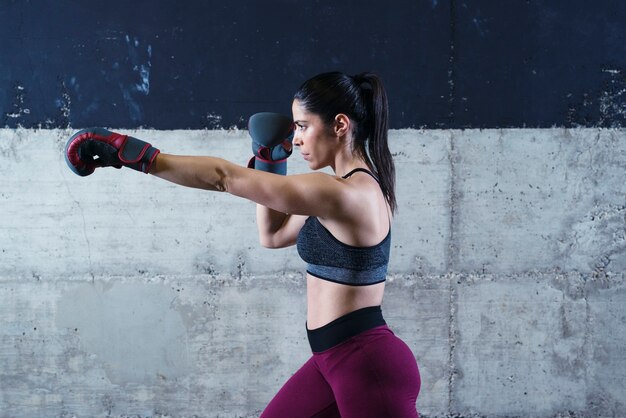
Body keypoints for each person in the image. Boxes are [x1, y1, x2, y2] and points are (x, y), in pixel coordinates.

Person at [64, 71, 421, 417]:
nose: (296, 139)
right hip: (331, 362)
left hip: (365, 366)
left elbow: (224, 177)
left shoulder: (345, 194)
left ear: (340, 125)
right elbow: (273, 235)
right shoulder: (333, 192)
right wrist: (269, 162)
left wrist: (136, 155)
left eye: (303, 126)